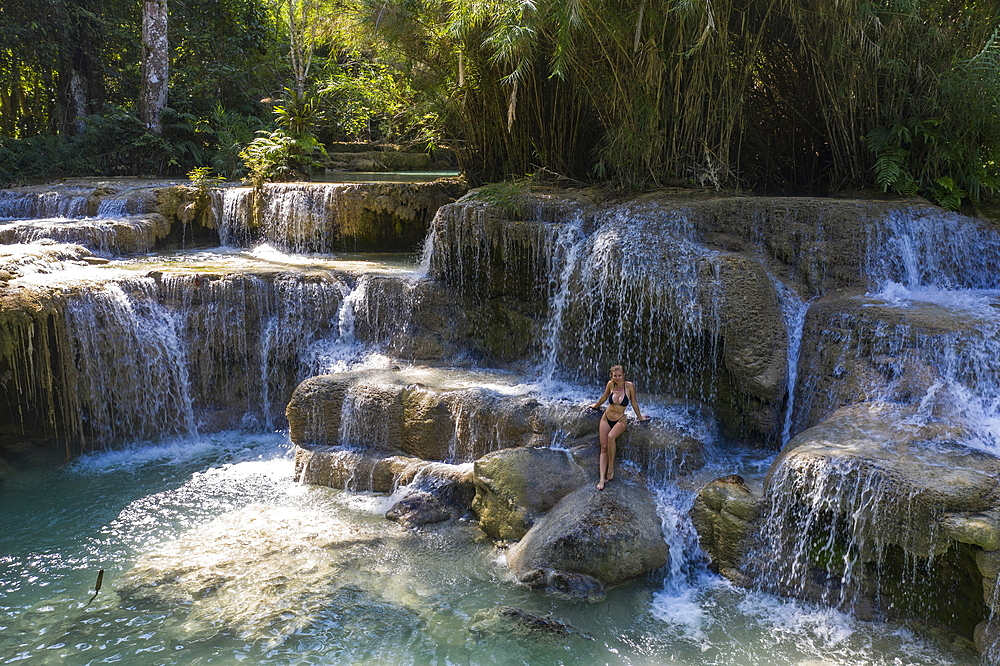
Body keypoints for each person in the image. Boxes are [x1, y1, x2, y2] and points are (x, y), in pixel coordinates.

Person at [588, 365, 649, 490]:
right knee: (603, 448)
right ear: (612, 376)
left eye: (619, 375)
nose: (617, 378)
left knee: (611, 436)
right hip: (606, 418)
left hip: (620, 420)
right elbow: (605, 397)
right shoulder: (610, 384)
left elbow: (634, 402)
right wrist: (595, 406)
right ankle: (601, 480)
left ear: (624, 375)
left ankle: (610, 470)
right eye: (615, 376)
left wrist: (640, 417)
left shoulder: (629, 386)